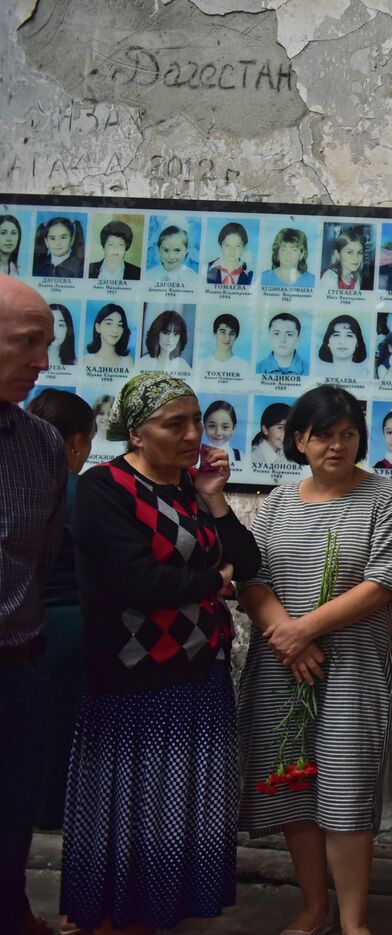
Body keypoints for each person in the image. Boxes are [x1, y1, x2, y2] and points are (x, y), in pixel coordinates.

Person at [64, 372, 258, 932]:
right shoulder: (106, 487)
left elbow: (245, 563)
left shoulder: (186, 490)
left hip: (199, 672)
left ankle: (157, 914)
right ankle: (114, 918)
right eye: (177, 424)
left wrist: (215, 500)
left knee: (179, 808)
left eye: (197, 422)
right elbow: (136, 582)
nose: (194, 434)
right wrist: (212, 581)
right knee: (129, 809)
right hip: (134, 676)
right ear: (137, 432)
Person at [237, 385, 392, 935]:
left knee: (345, 787)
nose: (336, 445)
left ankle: (354, 922)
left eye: (347, 434)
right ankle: (314, 908)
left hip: (352, 672)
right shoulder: (277, 504)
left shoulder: (385, 499)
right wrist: (289, 639)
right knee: (295, 785)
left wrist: (303, 632)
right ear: (298, 441)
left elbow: (382, 583)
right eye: (322, 435)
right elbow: (252, 578)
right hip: (280, 668)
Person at [0, 275, 68, 935]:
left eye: (46, 345)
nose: (42, 362)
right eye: (28, 343)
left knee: (12, 810)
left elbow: (41, 556)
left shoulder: (40, 444)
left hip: (15, 664)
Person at [23, 390, 93, 836]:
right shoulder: (80, 492)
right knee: (63, 732)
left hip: (23, 627)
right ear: (75, 443)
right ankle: (51, 814)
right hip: (75, 626)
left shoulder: (19, 482)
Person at [80, 303, 134, 369]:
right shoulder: (87, 361)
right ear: (98, 327)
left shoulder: (128, 361)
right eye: (109, 323)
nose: (115, 330)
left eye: (120, 325)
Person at [317, 314, 370, 380]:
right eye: (336, 335)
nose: (342, 341)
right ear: (328, 342)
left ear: (357, 342)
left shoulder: (365, 374)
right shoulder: (318, 373)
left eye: (349, 336)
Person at [320, 226, 372, 291]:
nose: (356, 258)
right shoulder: (330, 278)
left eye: (360, 252)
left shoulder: (355, 279)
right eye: (350, 252)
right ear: (337, 254)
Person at [141, 308, 192, 373]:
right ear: (156, 333)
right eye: (166, 333)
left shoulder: (183, 366)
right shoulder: (143, 363)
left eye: (175, 334)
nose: (170, 339)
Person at [203, 313, 250, 379]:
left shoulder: (245, 367)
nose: (227, 338)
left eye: (231, 334)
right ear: (214, 333)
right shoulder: (202, 365)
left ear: (236, 337)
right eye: (223, 332)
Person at [207, 221, 254, 286]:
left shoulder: (250, 275)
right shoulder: (206, 269)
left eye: (237, 246)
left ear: (244, 247)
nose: (232, 251)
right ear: (220, 246)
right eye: (227, 245)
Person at [47, 303, 76, 367]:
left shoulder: (76, 363)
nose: (54, 331)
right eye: (49, 324)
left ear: (68, 329)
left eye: (60, 325)